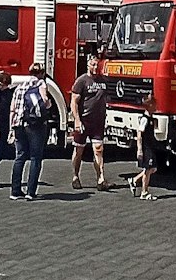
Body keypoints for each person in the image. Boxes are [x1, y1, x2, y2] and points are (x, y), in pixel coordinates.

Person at [8, 64, 66, 201]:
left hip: (18, 124)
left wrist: (11, 128)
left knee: (20, 157)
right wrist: (49, 106)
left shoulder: (20, 86)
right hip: (35, 126)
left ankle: (15, 191)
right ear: (42, 73)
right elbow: (45, 101)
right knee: (35, 157)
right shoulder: (41, 83)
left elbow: (12, 109)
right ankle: (30, 191)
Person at [70, 48, 110, 191]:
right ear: (88, 65)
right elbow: (73, 101)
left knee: (98, 150)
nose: (95, 68)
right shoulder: (82, 81)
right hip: (83, 121)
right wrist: (77, 121)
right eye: (92, 65)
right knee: (79, 150)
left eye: (96, 65)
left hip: (98, 122)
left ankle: (101, 178)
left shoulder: (103, 81)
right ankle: (75, 176)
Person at [129, 90, 164, 200]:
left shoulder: (151, 119)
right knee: (148, 169)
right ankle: (144, 192)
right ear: (149, 105)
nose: (156, 107)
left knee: (152, 168)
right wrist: (139, 149)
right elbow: (139, 134)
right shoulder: (144, 119)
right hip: (146, 147)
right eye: (154, 105)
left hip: (151, 146)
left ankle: (134, 180)